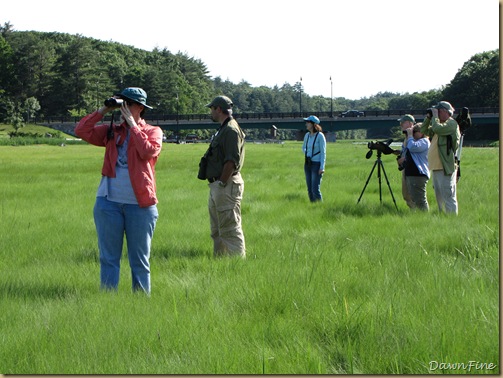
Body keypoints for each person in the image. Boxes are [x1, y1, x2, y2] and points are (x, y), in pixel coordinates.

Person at [75, 87, 163, 294]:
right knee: (108, 259)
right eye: (121, 103)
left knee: (140, 260)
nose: (123, 108)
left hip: (140, 205)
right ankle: (108, 300)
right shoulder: (111, 130)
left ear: (140, 107)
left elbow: (148, 151)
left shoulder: (153, 131)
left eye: (128, 104)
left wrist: (133, 126)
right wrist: (103, 110)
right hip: (108, 203)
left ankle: (141, 304)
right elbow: (81, 131)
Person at [200, 95, 246, 258]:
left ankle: (237, 266)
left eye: (211, 109)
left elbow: (231, 161)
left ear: (218, 109)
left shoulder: (231, 130)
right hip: (219, 184)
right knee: (217, 230)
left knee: (230, 229)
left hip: (226, 184)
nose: (210, 112)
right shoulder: (225, 128)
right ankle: (220, 263)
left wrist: (222, 182)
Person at [421, 101, 460, 215]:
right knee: (439, 196)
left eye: (437, 111)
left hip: (445, 166)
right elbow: (424, 130)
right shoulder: (438, 124)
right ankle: (443, 217)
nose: (435, 113)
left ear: (444, 111)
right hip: (437, 166)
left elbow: (437, 128)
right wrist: (428, 118)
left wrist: (435, 118)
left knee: (448, 194)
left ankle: (452, 218)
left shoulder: (451, 124)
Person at [398, 123, 430, 211]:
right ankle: (420, 218)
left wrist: (410, 135)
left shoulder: (424, 141)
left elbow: (412, 147)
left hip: (418, 175)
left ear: (421, 132)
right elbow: (407, 149)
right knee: (414, 199)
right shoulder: (413, 141)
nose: (413, 134)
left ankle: (425, 218)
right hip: (411, 174)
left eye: (414, 132)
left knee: (420, 200)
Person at [302, 115, 326, 202]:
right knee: (309, 190)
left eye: (308, 122)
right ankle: (313, 208)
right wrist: (306, 154)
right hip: (307, 164)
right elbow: (303, 147)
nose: (306, 124)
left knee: (315, 189)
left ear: (313, 124)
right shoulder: (307, 136)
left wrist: (322, 167)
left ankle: (320, 207)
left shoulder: (320, 136)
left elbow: (323, 152)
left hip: (316, 165)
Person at [396, 114, 416, 209]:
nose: (401, 125)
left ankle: (418, 214)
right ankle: (413, 212)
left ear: (410, 123)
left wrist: (405, 158)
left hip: (413, 169)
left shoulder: (415, 135)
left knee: (413, 194)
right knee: (406, 193)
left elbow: (416, 150)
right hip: (406, 167)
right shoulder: (406, 136)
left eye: (403, 123)